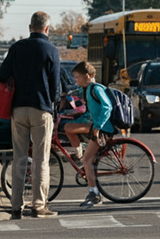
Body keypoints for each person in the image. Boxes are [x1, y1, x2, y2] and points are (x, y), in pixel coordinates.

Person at [0, 11, 61, 219]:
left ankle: (16, 205)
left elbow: (2, 75)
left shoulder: (17, 48)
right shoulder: (51, 50)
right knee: (41, 159)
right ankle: (39, 205)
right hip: (41, 109)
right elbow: (55, 87)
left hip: (18, 108)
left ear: (29, 27)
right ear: (47, 29)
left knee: (19, 157)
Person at [63, 62, 114, 209]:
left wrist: (97, 127)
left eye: (77, 77)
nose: (75, 80)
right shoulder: (87, 89)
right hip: (96, 126)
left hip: (103, 129)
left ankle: (94, 194)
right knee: (68, 127)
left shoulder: (96, 88)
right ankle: (79, 153)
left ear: (87, 76)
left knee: (88, 160)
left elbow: (107, 107)